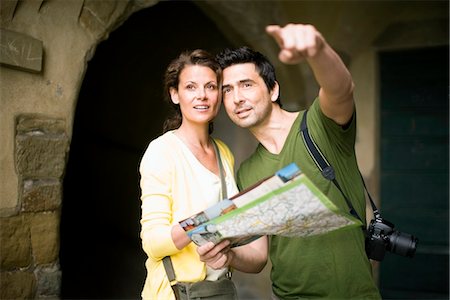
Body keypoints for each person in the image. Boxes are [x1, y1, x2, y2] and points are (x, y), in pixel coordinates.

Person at [197, 23, 382, 299]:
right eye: (227, 90)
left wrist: (317, 50)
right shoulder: (247, 171)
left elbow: (341, 89)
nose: (237, 98)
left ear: (273, 90)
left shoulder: (319, 125)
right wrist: (228, 255)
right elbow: (259, 256)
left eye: (246, 85)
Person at [138, 49, 240, 299]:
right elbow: (152, 242)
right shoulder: (161, 151)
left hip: (220, 290)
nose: (202, 96)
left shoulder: (223, 152)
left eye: (210, 87)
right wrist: (206, 220)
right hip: (175, 293)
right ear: (175, 94)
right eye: (191, 87)